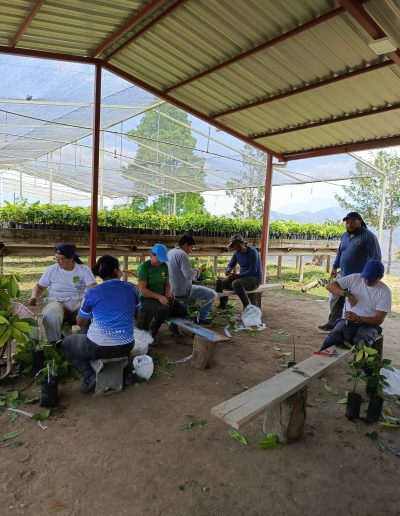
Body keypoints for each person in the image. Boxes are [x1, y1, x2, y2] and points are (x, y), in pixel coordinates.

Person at [62, 255, 141, 393]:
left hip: (98, 348)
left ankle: (88, 375)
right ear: (116, 271)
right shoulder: (132, 288)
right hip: (127, 345)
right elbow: (137, 316)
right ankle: (127, 372)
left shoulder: (93, 292)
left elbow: (80, 322)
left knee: (66, 343)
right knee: (116, 335)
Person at [318, 212, 381, 331]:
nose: (349, 224)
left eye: (352, 222)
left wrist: (370, 275)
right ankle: (333, 323)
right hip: (343, 274)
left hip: (359, 277)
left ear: (360, 222)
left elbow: (376, 257)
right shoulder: (345, 236)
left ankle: (352, 327)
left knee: (355, 302)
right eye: (347, 222)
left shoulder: (368, 236)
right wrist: (334, 267)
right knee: (336, 298)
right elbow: (340, 252)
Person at [28, 243, 96, 343]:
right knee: (51, 312)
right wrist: (34, 297)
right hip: (57, 302)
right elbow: (39, 287)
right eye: (56, 259)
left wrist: (88, 303)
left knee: (90, 309)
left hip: (79, 304)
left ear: (72, 258)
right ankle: (54, 344)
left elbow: (92, 290)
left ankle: (86, 342)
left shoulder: (84, 270)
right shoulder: (52, 270)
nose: (59, 262)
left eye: (62, 259)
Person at [319, 260, 391, 351]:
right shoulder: (354, 278)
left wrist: (359, 318)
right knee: (333, 336)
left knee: (360, 341)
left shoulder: (385, 292)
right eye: (365, 277)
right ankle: (319, 356)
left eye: (371, 279)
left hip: (370, 325)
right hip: (347, 321)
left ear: (380, 277)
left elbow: (379, 319)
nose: (366, 280)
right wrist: (347, 294)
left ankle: (363, 360)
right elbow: (330, 286)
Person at [137, 244, 187, 338]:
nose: (161, 261)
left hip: (162, 297)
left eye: (162, 259)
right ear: (152, 255)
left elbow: (166, 284)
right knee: (162, 311)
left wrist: (168, 292)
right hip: (147, 298)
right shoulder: (144, 267)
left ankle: (173, 327)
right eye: (159, 259)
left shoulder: (164, 266)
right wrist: (159, 297)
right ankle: (150, 335)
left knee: (182, 310)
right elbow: (142, 289)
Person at [167, 235, 216, 325]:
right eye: (191, 247)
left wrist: (193, 270)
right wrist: (198, 271)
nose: (191, 250)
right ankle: (201, 319)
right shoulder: (182, 254)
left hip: (170, 290)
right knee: (212, 294)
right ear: (186, 245)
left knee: (184, 306)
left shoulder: (169, 252)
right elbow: (189, 275)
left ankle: (176, 323)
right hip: (182, 291)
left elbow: (178, 271)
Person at [219, 234, 262, 309]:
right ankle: (223, 306)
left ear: (240, 243)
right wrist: (228, 270)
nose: (233, 247)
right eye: (232, 245)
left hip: (254, 279)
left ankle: (247, 307)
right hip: (243, 278)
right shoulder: (237, 253)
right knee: (222, 283)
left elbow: (253, 270)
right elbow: (230, 264)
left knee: (236, 283)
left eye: (235, 244)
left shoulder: (252, 252)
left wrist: (238, 276)